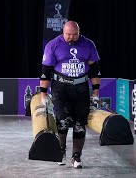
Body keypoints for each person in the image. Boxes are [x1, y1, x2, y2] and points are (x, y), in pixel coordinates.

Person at [39, 21, 101, 169]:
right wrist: (43, 94)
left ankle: (76, 156)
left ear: (78, 32)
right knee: (62, 121)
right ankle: (61, 152)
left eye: (74, 34)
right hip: (60, 88)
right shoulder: (53, 45)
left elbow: (95, 70)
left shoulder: (88, 44)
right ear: (63, 31)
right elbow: (46, 71)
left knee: (80, 123)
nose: (71, 37)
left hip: (81, 87)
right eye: (68, 34)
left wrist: (96, 92)